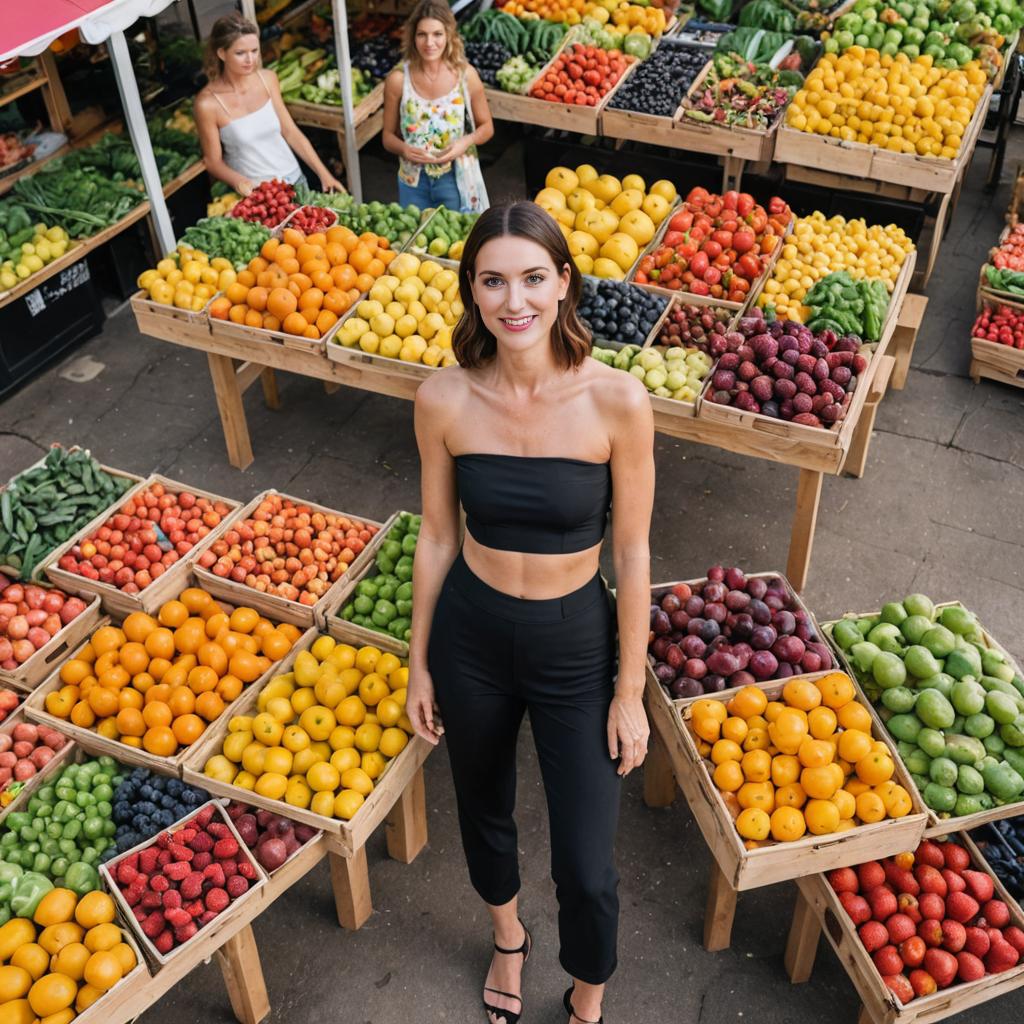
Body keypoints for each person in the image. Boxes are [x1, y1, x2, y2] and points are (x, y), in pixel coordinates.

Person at [409, 202, 654, 1024]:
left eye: (532, 278)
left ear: (563, 285)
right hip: (472, 635)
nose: (514, 300)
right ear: (472, 292)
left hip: (573, 641)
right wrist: (419, 662)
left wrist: (629, 690)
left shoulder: (617, 401)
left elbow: (632, 554)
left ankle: (587, 993)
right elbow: (438, 539)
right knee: (482, 806)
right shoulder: (442, 398)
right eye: (493, 281)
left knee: (587, 860)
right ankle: (507, 940)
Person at [195, 13, 344, 197]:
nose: (250, 60)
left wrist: (324, 174)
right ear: (222, 53)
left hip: (296, 180)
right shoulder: (208, 104)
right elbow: (212, 162)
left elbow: (290, 131)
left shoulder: (267, 79)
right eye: (240, 53)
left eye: (254, 51)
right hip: (259, 194)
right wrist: (239, 181)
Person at [382, 0, 493, 213]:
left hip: (454, 177)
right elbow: (388, 137)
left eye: (437, 34)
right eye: (422, 34)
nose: (429, 42)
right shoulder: (398, 80)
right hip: (413, 181)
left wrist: (465, 143)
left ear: (449, 35)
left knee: (456, 240)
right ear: (413, 37)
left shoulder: (466, 76)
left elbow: (487, 127)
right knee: (415, 241)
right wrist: (404, 148)